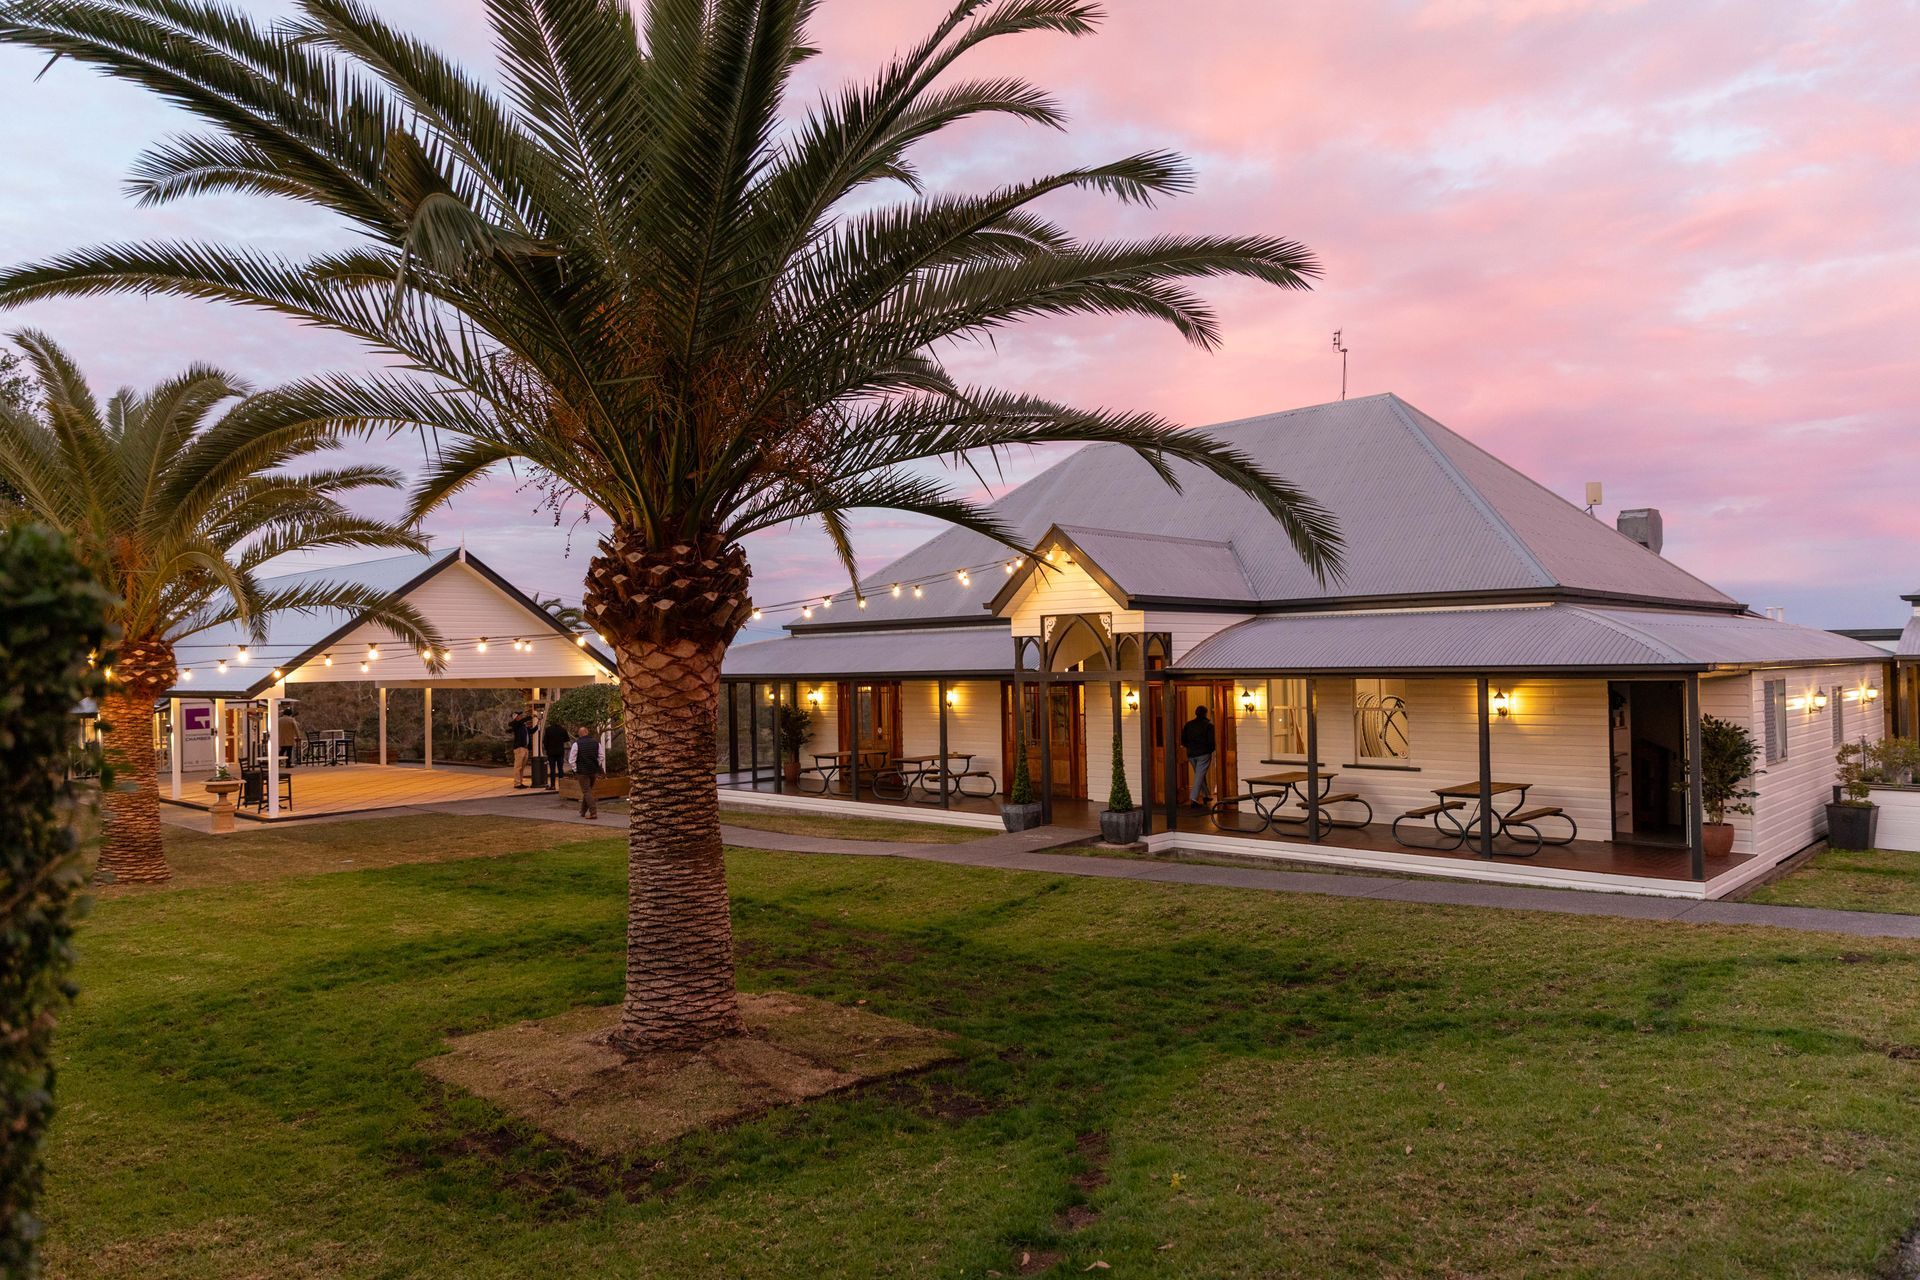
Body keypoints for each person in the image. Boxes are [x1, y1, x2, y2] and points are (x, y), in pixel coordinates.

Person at [1179, 704, 1216, 809]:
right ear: (1205, 713)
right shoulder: (1208, 725)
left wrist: (1189, 747)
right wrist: (1210, 750)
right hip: (1204, 754)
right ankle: (1194, 799)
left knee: (1199, 774)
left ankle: (1205, 795)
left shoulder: (1188, 725)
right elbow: (1211, 741)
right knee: (1199, 776)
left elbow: (1183, 740)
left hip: (1191, 754)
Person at [566, 723, 603, 819]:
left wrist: (575, 769)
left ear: (579, 734)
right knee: (588, 791)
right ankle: (582, 811)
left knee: (586, 791)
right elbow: (601, 756)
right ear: (587, 732)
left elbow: (572, 759)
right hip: (593, 770)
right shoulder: (596, 743)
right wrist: (596, 764)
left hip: (582, 771)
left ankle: (593, 812)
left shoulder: (576, 744)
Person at [541, 711, 569, 792]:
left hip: (551, 752)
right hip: (560, 751)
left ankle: (553, 785)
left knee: (552, 769)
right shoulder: (563, 730)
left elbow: (545, 741)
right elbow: (566, 739)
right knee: (560, 769)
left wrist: (547, 749)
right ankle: (561, 785)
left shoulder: (548, 730)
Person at [509, 707, 535, 788]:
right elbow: (520, 722)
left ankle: (520, 782)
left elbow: (531, 731)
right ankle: (517, 783)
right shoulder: (515, 724)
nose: (520, 717)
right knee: (518, 767)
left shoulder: (523, 726)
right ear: (515, 717)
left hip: (525, 748)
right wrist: (531, 717)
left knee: (522, 767)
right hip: (519, 748)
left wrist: (538, 725)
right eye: (519, 715)